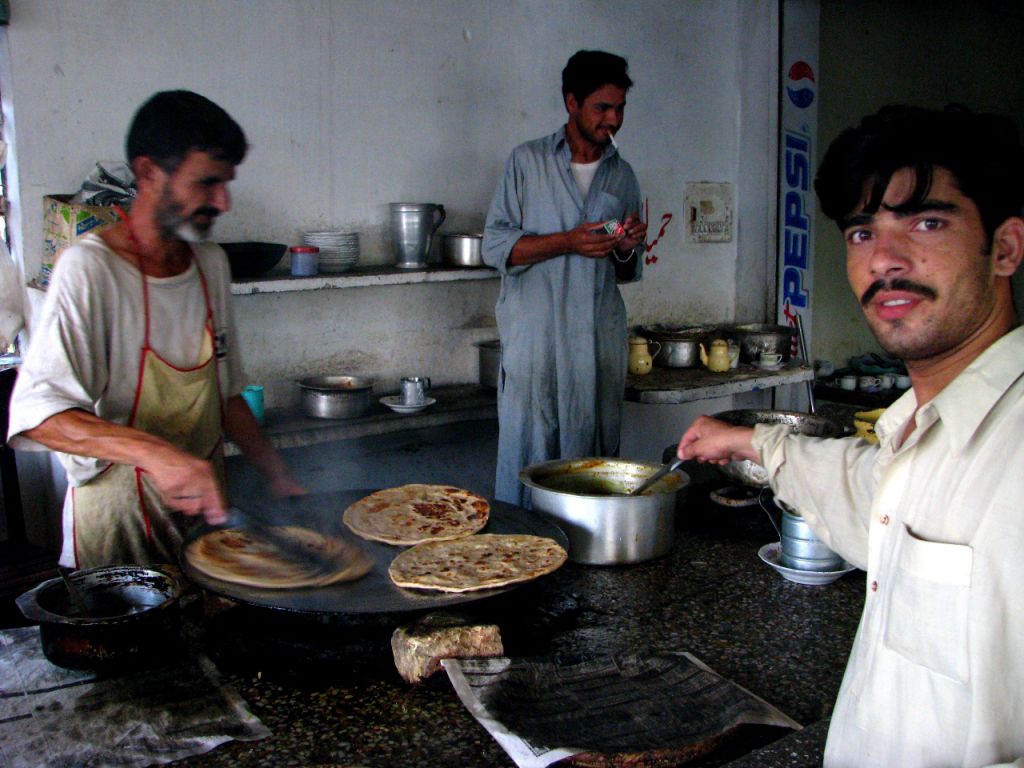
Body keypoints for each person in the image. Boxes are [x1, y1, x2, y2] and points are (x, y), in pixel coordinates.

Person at [678, 105, 1024, 767]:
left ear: (1005, 248)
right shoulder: (924, 433)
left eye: (927, 222)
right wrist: (750, 443)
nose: (886, 259)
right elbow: (862, 491)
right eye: (863, 232)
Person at [8, 90, 303, 569]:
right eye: (207, 183)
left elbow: (226, 397)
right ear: (148, 173)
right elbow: (40, 415)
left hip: (207, 519)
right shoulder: (90, 269)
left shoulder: (210, 264)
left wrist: (276, 473)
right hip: (119, 524)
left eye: (226, 184)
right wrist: (157, 455)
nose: (223, 202)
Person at [482, 50, 648, 506]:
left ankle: (589, 562)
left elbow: (626, 271)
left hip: (595, 343)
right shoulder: (527, 162)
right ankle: (523, 556)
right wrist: (568, 241)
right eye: (602, 108)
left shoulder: (623, 175)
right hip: (537, 341)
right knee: (528, 452)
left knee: (590, 460)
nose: (613, 119)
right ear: (571, 102)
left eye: (620, 109)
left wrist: (627, 246)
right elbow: (495, 248)